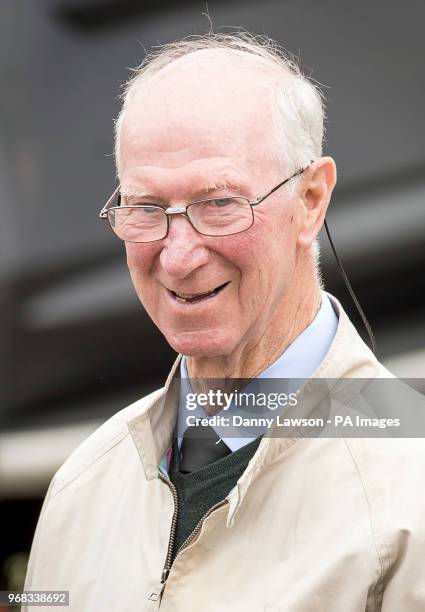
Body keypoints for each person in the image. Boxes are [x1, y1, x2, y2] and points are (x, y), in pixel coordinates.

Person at [24, 33, 425, 611]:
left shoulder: (410, 491)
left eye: (219, 204)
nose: (178, 255)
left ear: (311, 199)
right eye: (146, 208)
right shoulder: (83, 485)